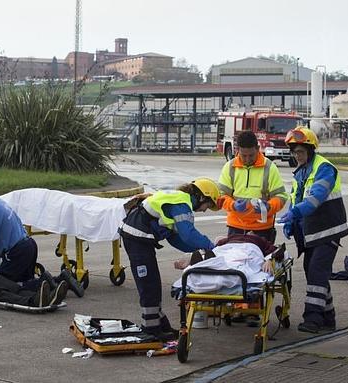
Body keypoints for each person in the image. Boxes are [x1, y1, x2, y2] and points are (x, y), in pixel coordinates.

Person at [119, 178, 220, 341]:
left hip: (138, 238)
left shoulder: (177, 200)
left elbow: (176, 239)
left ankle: (160, 323)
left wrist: (198, 249)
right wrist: (211, 247)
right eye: (207, 205)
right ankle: (151, 329)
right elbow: (189, 235)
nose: (204, 210)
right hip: (137, 238)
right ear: (202, 197)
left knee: (153, 282)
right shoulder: (182, 204)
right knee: (148, 284)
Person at [279, 126, 348, 333]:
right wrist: (291, 220)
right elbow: (295, 199)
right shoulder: (300, 173)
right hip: (311, 233)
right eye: (294, 152)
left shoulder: (325, 168)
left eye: (300, 152)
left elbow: (315, 198)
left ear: (310, 151)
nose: (296, 156)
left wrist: (296, 213)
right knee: (314, 273)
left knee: (317, 272)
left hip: (328, 230)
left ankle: (313, 319)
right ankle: (328, 317)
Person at [218, 130, 288, 244]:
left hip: (262, 230)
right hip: (236, 227)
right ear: (237, 150)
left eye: (251, 155)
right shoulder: (230, 167)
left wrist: (268, 207)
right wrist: (233, 205)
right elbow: (221, 195)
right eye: (244, 155)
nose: (247, 159)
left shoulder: (269, 167)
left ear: (258, 148)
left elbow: (281, 197)